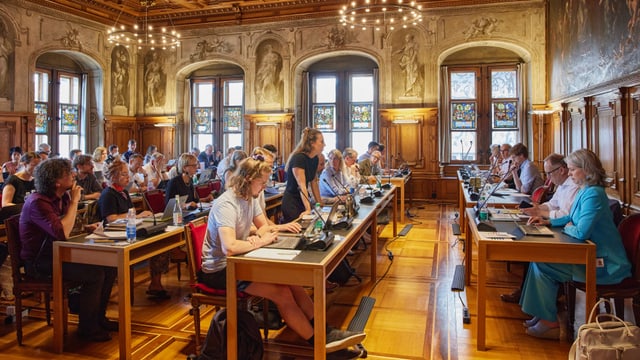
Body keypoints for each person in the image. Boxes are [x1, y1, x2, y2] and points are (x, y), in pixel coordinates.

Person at [199, 157, 365, 352]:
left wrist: (259, 237)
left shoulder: (248, 198)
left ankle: (325, 331)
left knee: (291, 281)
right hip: (220, 270)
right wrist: (258, 241)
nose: (263, 187)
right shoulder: (226, 204)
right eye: (261, 183)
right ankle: (319, 345)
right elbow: (230, 247)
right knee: (282, 293)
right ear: (248, 179)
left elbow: (265, 229)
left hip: (240, 261)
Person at [522, 149, 631, 339]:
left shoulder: (594, 194)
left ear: (586, 170)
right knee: (537, 259)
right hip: (591, 256)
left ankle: (550, 322)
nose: (570, 174)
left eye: (572, 170)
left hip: (606, 265)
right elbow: (571, 218)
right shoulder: (586, 191)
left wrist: (568, 227)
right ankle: (540, 313)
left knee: (543, 263)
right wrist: (549, 222)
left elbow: (581, 231)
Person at [20, 158, 117, 342]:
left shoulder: (61, 196)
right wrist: (74, 202)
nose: (73, 175)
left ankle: (98, 318)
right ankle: (87, 328)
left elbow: (68, 225)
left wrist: (85, 227)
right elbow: (62, 232)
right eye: (68, 174)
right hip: (41, 263)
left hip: (58, 254)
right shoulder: (38, 202)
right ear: (56, 182)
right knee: (95, 274)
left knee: (109, 266)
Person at [500, 153, 580, 304]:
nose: (548, 178)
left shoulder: (574, 187)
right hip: (556, 225)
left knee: (533, 250)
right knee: (527, 243)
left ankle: (539, 297)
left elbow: (568, 214)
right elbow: (552, 204)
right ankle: (527, 294)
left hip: (566, 231)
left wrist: (541, 213)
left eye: (549, 173)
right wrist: (536, 208)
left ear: (561, 170)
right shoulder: (562, 186)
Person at [97, 160, 173, 299]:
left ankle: (155, 283)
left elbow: (129, 213)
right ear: (113, 176)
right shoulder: (108, 194)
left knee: (160, 244)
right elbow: (111, 218)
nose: (128, 178)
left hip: (130, 230)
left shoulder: (123, 193)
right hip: (115, 236)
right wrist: (137, 215)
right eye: (124, 174)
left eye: (128, 174)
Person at [281, 128, 325, 223]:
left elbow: (314, 183)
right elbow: (302, 186)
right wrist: (308, 209)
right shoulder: (299, 159)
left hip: (303, 200)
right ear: (312, 143)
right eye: (321, 142)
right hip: (292, 201)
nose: (324, 145)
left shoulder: (315, 158)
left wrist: (319, 203)